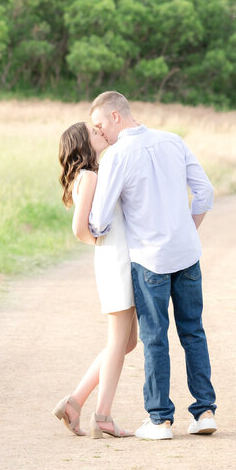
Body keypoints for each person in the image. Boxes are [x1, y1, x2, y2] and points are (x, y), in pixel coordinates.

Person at [89, 90, 217, 441]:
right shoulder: (173, 141)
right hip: (187, 253)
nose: (100, 133)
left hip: (150, 260)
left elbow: (99, 220)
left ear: (116, 116)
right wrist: (186, 232)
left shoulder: (116, 156)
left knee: (154, 337)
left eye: (100, 124)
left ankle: (160, 420)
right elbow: (205, 192)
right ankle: (204, 411)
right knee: (193, 331)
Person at [52, 122, 137, 439]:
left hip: (115, 259)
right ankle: (103, 416)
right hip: (115, 261)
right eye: (92, 130)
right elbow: (79, 228)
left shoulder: (91, 174)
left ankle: (74, 403)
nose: (99, 130)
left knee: (128, 342)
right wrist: (102, 245)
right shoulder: (88, 177)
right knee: (118, 341)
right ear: (82, 143)